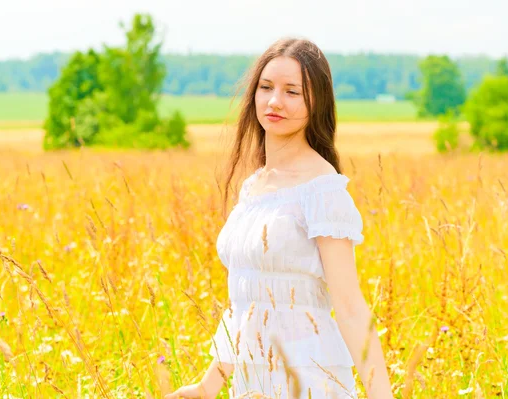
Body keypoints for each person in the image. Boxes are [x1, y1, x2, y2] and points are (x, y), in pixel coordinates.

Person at [165, 37, 394, 399]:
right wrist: (207, 386)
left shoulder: (323, 190)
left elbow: (350, 307)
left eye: (292, 92)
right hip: (252, 381)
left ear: (316, 102)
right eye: (266, 87)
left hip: (309, 379)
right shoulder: (254, 187)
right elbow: (246, 305)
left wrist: (383, 396)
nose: (274, 101)